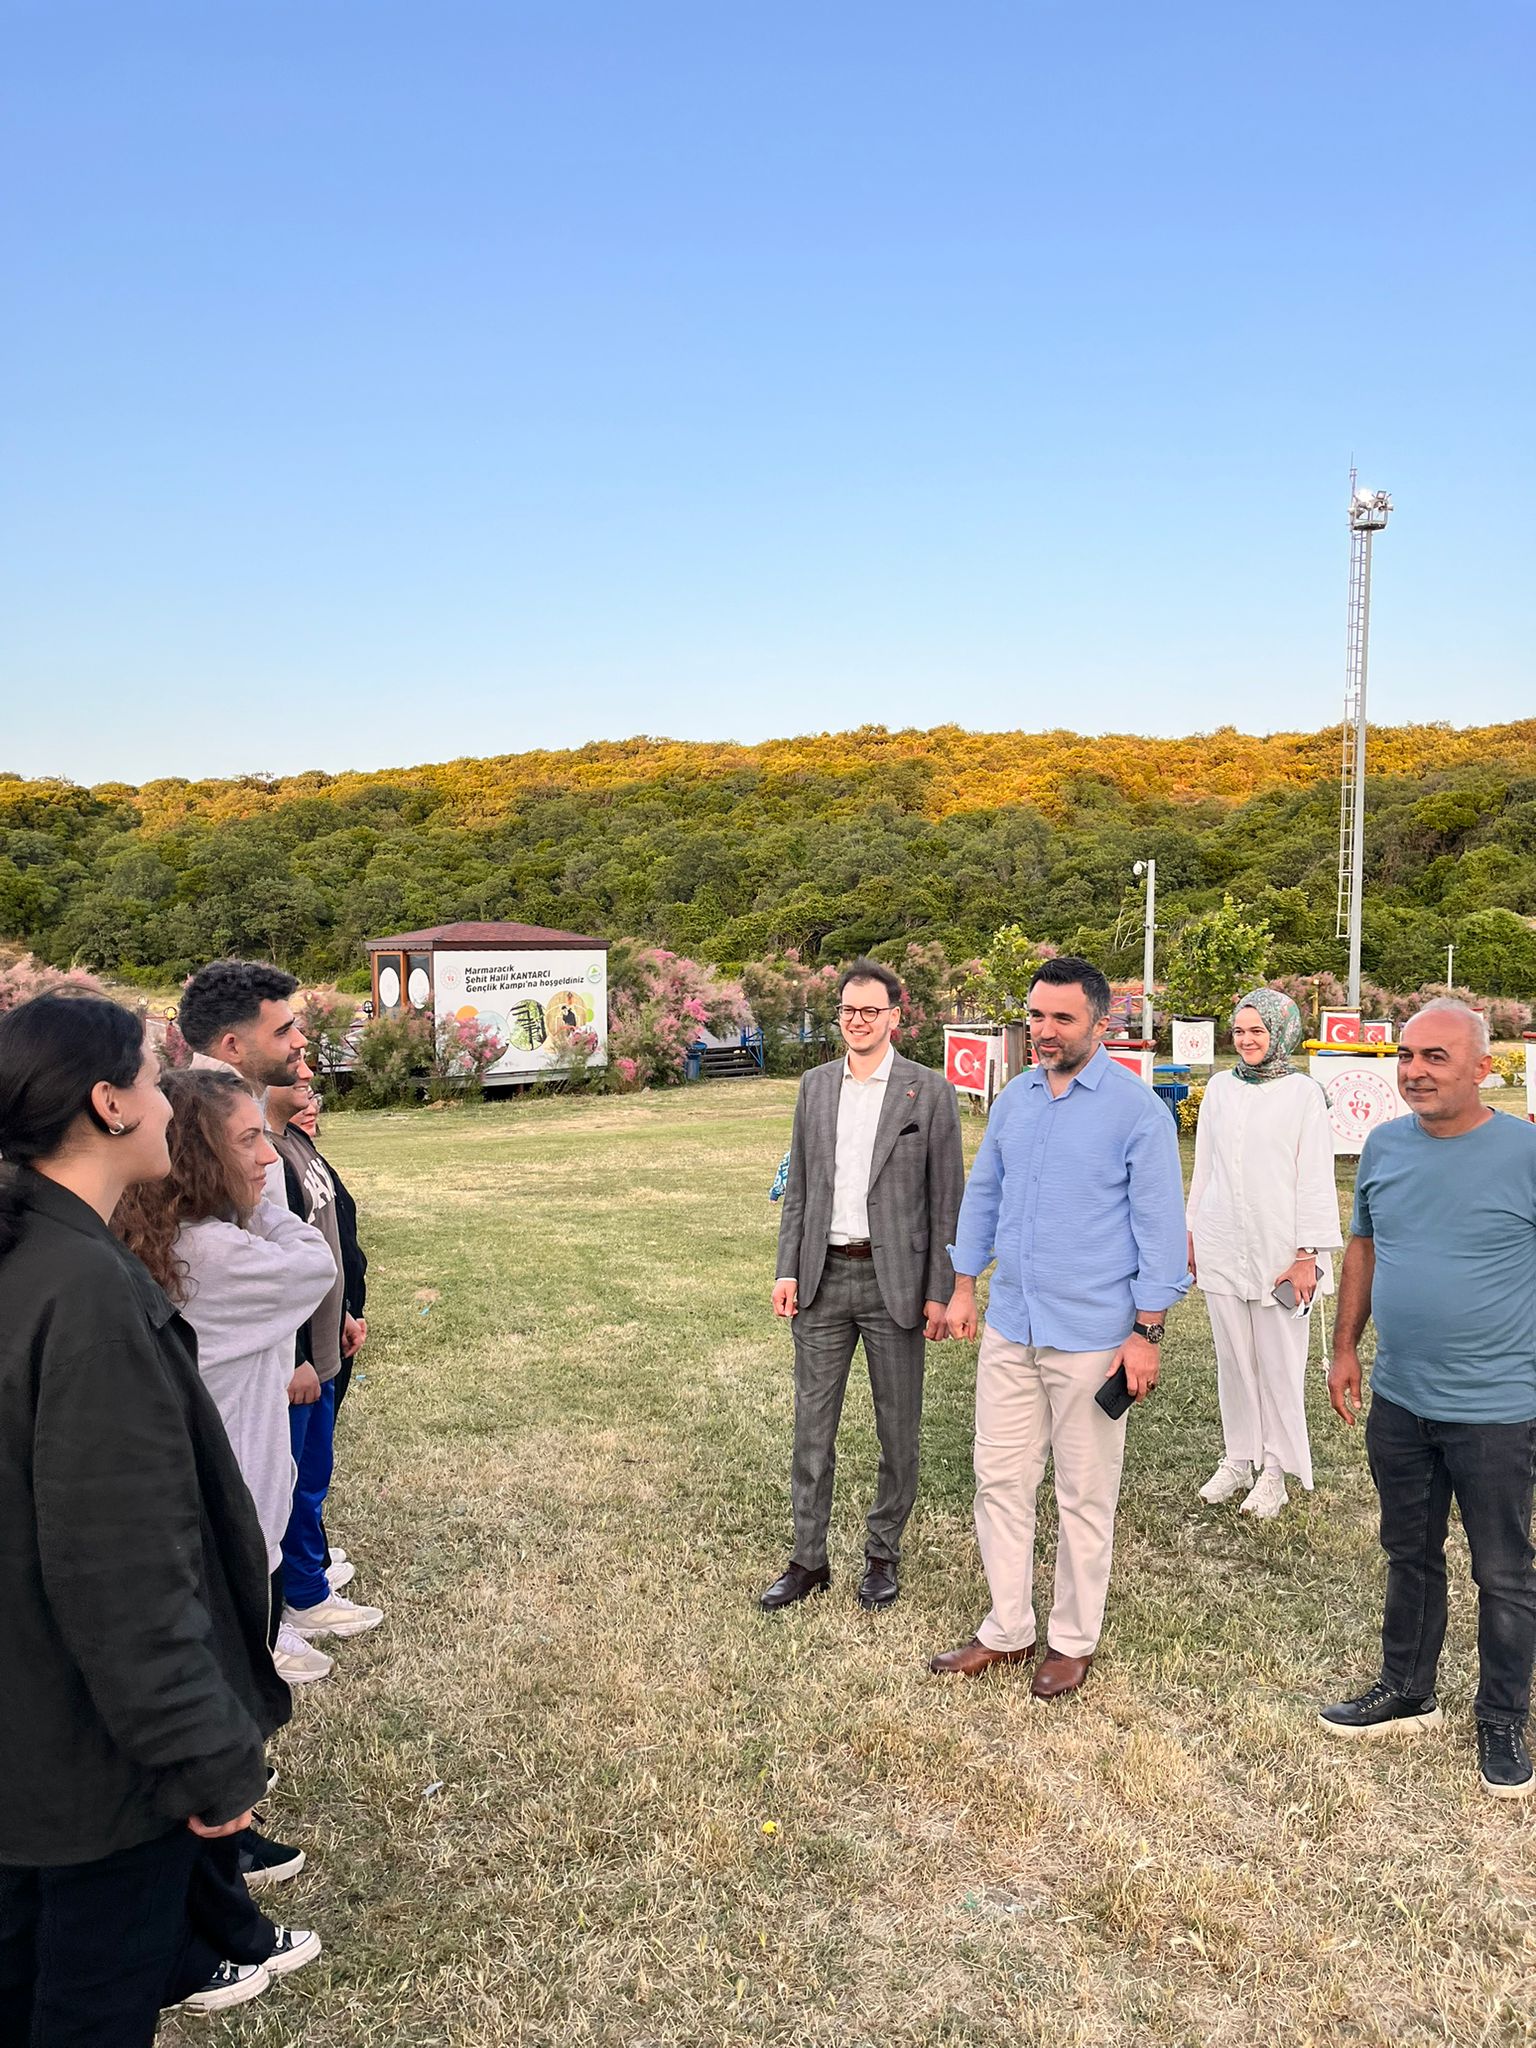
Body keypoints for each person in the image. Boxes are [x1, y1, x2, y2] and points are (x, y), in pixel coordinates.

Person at [0, 994, 311, 2038]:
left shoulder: (32, 1260)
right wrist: (209, 1753)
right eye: (145, 1074)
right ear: (107, 1104)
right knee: (86, 2007)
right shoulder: (83, 1292)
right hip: (89, 1769)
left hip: (30, 1742)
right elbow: (121, 1565)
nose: (161, 1096)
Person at [931, 957, 1189, 1699]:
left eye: (1061, 1019)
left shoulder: (1138, 1112)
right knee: (999, 1481)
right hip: (1013, 1325)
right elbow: (985, 1194)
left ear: (1100, 1024)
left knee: (1084, 1495)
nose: (1043, 1031)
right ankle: (1007, 1629)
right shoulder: (1014, 1099)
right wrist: (963, 1286)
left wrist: (1148, 1333)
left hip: (1096, 1338)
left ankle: (1072, 1641)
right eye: (1035, 1016)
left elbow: (1160, 1233)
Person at [1321, 999, 1536, 1799]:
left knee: (1504, 1571)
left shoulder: (1525, 1152)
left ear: (1484, 1068)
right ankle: (1407, 1689)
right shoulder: (1382, 1147)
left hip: (1500, 1409)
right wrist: (1346, 1346)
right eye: (1406, 1055)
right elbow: (1365, 1246)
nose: (1414, 1070)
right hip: (1401, 1400)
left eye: (1436, 1057)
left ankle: (1503, 1716)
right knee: (1408, 1552)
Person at [114, 1069, 339, 1702]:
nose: (269, 1154)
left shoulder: (163, 1240)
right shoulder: (213, 1254)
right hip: (234, 1524)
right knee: (233, 1687)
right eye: (247, 1141)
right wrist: (256, 1204)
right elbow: (312, 1260)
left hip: (207, 1518)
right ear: (197, 1157)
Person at [763, 958, 965, 1613]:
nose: (857, 1020)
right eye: (848, 1010)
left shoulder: (927, 1092)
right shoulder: (815, 1087)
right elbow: (798, 1190)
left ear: (895, 1017)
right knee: (811, 1430)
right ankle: (807, 1559)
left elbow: (946, 1199)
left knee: (896, 1430)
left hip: (895, 1284)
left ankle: (882, 1555)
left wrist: (943, 1289)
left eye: (870, 1011)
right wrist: (787, 1268)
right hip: (822, 1280)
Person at [1186, 988, 1342, 1517]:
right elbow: (1204, 1169)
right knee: (1233, 1360)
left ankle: (1274, 1469)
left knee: (1278, 1363)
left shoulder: (1303, 1094)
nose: (1248, 1040)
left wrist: (1307, 1255)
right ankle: (1238, 1458)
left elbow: (1316, 1177)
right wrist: (1191, 1233)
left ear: (1281, 1033)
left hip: (1282, 1252)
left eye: (1258, 1031)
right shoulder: (1219, 1091)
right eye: (1240, 1031)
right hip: (1223, 1244)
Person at [264, 1079, 384, 1644]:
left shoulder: (294, 1141)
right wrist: (295, 1355)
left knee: (312, 1474)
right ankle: (302, 1596)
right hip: (299, 1361)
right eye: (292, 1056)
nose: (308, 1074)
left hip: (323, 1346)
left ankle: (305, 1566)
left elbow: (329, 1235)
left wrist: (343, 1312)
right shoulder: (263, 1153)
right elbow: (269, 1269)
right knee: (289, 1479)